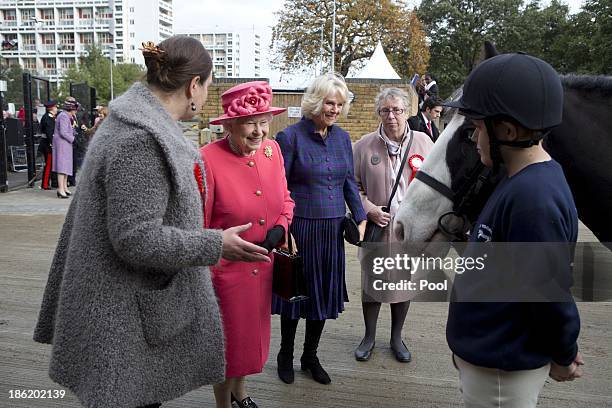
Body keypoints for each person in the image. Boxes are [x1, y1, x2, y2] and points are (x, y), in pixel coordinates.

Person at [33, 36, 271, 408]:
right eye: (207, 87)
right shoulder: (141, 139)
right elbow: (136, 238)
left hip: (122, 309)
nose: (206, 96)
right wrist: (215, 244)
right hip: (120, 321)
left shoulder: (134, 125)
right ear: (194, 85)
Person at [445, 53, 582, 407]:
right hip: (491, 357)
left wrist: (563, 354)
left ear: (506, 131)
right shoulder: (517, 179)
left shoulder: (533, 198)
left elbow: (549, 294)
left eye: (476, 127)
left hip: (501, 373)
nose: (474, 139)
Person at [200, 81, 295, 408]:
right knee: (227, 347)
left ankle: (240, 392)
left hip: (265, 266)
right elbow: (198, 223)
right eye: (250, 122)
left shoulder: (273, 151)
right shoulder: (207, 159)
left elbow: (286, 200)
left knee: (252, 341)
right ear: (228, 124)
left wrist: (279, 230)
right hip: (225, 275)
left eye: (264, 121)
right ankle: (223, 403)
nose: (259, 131)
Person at [272, 73, 367, 385]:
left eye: (339, 104)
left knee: (321, 297)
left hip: (332, 231)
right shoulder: (290, 137)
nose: (335, 109)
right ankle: (285, 353)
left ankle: (309, 356)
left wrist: (361, 216)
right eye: (330, 102)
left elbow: (349, 182)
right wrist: (284, 228)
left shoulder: (342, 139)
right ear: (315, 101)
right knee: (294, 296)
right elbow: (278, 189)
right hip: (299, 231)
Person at [352, 88, 434, 363]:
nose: (391, 116)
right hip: (377, 227)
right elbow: (352, 186)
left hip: (409, 230)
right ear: (379, 113)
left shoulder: (424, 143)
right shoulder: (363, 146)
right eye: (385, 110)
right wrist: (369, 209)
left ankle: (397, 337)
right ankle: (369, 337)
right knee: (371, 285)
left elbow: (435, 185)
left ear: (407, 112)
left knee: (403, 285)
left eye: (397, 110)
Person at [52, 98, 79, 198]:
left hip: (66, 144)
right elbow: (63, 132)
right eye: (75, 109)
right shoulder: (63, 116)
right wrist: (73, 139)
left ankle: (64, 187)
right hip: (62, 144)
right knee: (62, 167)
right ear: (71, 109)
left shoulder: (66, 116)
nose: (76, 111)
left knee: (66, 166)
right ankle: (61, 189)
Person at [38, 100, 58, 190]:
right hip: (47, 144)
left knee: (52, 164)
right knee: (49, 164)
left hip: (48, 143)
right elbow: (50, 133)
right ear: (52, 108)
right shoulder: (48, 118)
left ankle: (53, 182)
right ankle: (45, 184)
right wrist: (52, 143)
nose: (57, 108)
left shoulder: (52, 117)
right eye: (56, 107)